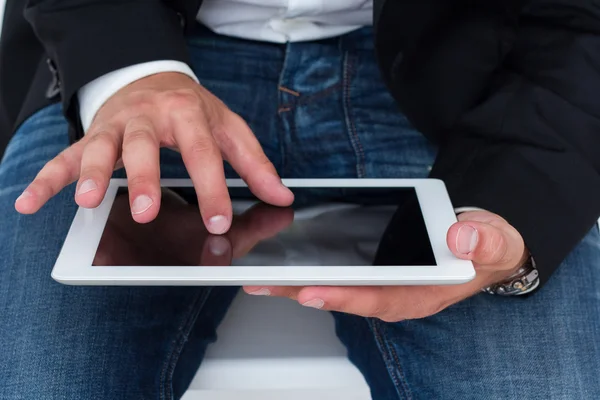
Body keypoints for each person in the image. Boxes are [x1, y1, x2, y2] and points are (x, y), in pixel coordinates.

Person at [1, 0, 599, 399]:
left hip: (464, 72)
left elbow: (580, 22)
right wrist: (130, 74)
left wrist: (518, 204)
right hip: (143, 52)